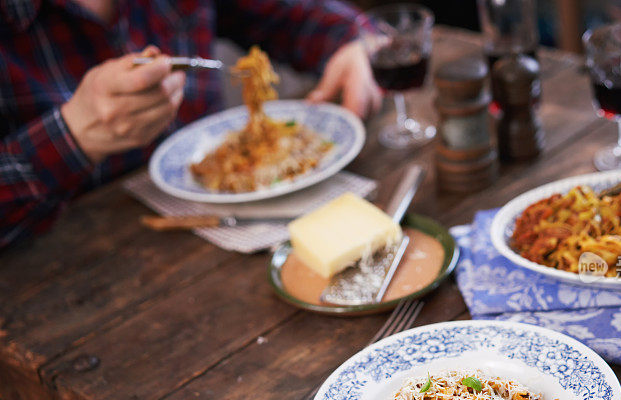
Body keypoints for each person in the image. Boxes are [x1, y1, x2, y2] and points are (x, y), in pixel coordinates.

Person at [0, 0, 381, 248]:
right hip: (78, 276)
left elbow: (280, 13)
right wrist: (71, 136)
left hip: (235, 238)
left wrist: (346, 40)